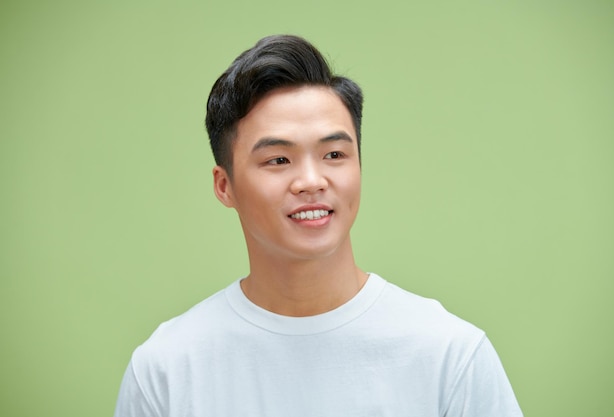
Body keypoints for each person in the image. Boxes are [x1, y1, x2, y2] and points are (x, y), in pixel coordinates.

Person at [114, 34, 523, 417]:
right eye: (278, 160)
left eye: (333, 154)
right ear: (225, 187)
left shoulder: (449, 355)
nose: (312, 181)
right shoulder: (165, 370)